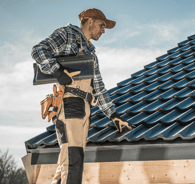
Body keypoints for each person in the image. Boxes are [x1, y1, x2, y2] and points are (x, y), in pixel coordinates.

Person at [31, 8, 133, 184]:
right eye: (102, 25)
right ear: (90, 20)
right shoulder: (68, 34)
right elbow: (39, 50)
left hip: (84, 107)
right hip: (71, 103)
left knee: (67, 162)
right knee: (74, 159)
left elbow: (99, 88)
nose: (103, 30)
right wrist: (58, 71)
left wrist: (114, 115)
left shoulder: (92, 53)